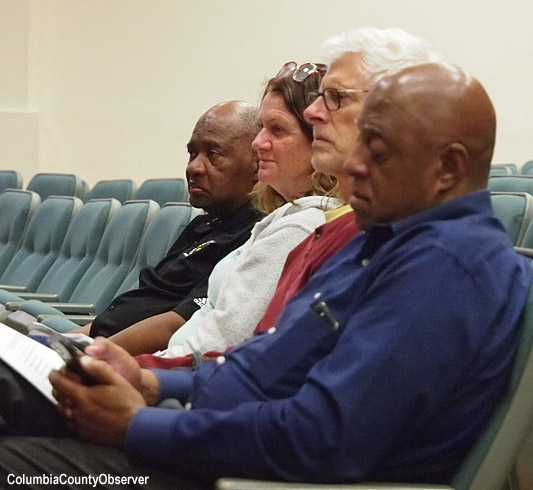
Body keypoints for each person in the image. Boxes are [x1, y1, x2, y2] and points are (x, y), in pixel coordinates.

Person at [0, 62, 530, 489]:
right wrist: (148, 381)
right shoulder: (380, 241)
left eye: (379, 152)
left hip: (245, 472)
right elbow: (256, 373)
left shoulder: (445, 270)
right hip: (217, 446)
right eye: (359, 143)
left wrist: (137, 424)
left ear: (448, 168)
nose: (354, 167)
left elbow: (321, 437)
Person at [139, 26, 444, 366]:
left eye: (336, 98)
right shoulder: (340, 230)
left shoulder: (344, 234)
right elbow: (265, 369)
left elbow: (270, 380)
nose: (316, 113)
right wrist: (142, 377)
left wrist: (145, 381)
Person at [109, 63, 340, 356]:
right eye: (263, 128)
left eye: (277, 130)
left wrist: (128, 371)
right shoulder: (283, 217)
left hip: (178, 385)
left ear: (318, 140)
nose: (258, 143)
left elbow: (217, 350)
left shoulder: (301, 226)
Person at [68, 101, 265, 341]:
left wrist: (86, 358)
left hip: (130, 364)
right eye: (192, 153)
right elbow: (140, 305)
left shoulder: (253, 236)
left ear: (258, 163)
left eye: (213, 154)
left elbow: (179, 324)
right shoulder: (203, 225)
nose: (193, 167)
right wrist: (60, 340)